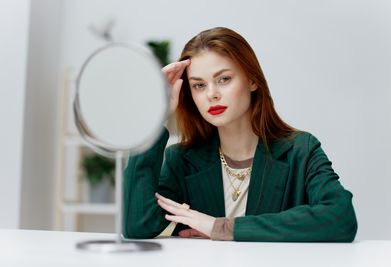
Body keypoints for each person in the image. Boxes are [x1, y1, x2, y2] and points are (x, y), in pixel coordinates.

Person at [123, 27, 357, 241]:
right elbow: (137, 226)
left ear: (252, 80)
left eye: (224, 79)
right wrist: (154, 116)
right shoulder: (182, 160)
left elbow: (340, 217)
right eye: (199, 85)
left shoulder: (301, 150)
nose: (212, 94)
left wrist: (221, 227)